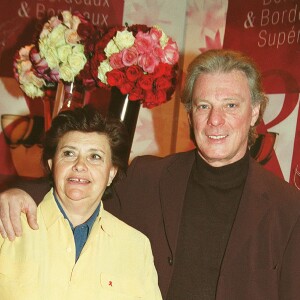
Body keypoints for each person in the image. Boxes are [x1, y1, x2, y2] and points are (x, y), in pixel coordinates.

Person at [1, 49, 300, 299]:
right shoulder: (148, 177)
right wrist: (24, 193)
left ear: (256, 111)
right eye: (203, 106)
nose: (215, 120)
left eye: (231, 105)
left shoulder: (288, 207)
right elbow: (83, 189)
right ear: (190, 113)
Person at [0, 106, 162, 300]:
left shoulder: (136, 247)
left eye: (95, 157)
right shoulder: (9, 223)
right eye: (69, 153)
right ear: (52, 166)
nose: (79, 165)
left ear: (111, 173)